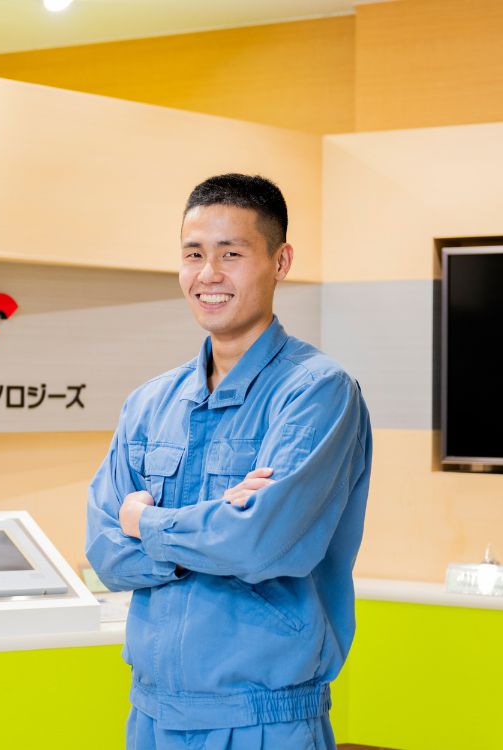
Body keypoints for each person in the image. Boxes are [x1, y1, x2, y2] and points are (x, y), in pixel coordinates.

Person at [85, 173, 373, 750]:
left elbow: (261, 543)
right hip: (151, 715)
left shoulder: (316, 392)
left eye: (231, 254)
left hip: (265, 718)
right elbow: (105, 552)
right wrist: (214, 526)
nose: (208, 274)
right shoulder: (150, 402)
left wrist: (145, 522)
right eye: (194, 254)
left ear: (280, 261)